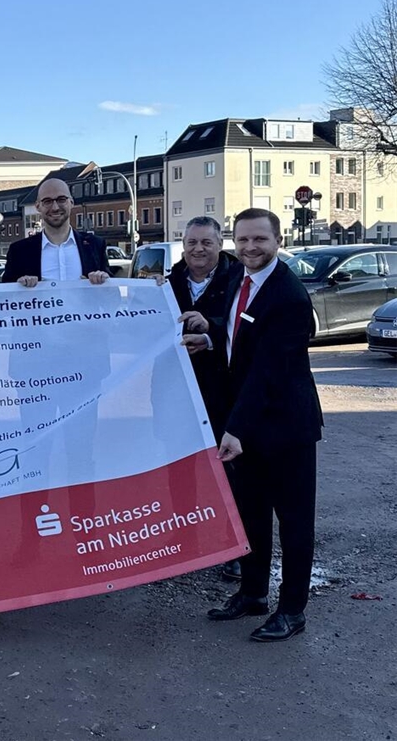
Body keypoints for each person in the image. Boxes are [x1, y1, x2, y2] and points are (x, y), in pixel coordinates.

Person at [193, 209, 322, 642]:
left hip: (285, 428)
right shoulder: (238, 279)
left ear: (278, 239)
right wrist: (209, 334)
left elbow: (269, 370)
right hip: (246, 423)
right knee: (250, 516)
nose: (250, 248)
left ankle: (292, 610)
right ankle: (252, 593)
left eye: (259, 240)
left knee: (294, 522)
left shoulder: (288, 295)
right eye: (242, 239)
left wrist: (236, 428)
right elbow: (237, 336)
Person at [166, 216, 243, 581]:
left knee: (230, 469)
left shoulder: (240, 278)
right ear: (183, 245)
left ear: (220, 244)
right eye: (192, 242)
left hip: (224, 389)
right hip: (173, 390)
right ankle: (186, 540)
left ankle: (235, 545)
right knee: (180, 469)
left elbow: (248, 326)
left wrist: (209, 324)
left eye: (206, 243)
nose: (198, 249)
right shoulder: (166, 282)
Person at [1, 177, 110, 286]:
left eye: (61, 199)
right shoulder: (19, 251)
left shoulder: (95, 245)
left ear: (71, 202)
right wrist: (18, 286)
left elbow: (114, 296)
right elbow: (3, 297)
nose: (55, 207)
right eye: (47, 201)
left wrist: (105, 282)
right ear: (38, 206)